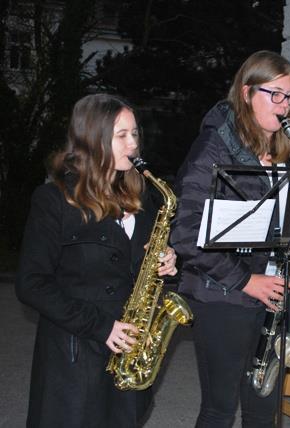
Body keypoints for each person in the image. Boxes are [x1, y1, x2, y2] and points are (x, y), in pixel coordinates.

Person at [15, 93, 178, 428]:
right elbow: (31, 284)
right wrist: (102, 327)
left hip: (128, 350)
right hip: (75, 354)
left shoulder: (142, 197)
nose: (133, 144)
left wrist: (168, 261)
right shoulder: (54, 200)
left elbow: (142, 267)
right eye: (122, 135)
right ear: (92, 138)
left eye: (135, 133)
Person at [170, 50, 290, 427]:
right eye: (275, 94)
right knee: (220, 409)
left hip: (275, 291)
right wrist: (247, 280)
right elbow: (185, 231)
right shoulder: (214, 146)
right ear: (247, 93)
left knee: (263, 410)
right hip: (224, 293)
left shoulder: (289, 149)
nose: (285, 105)